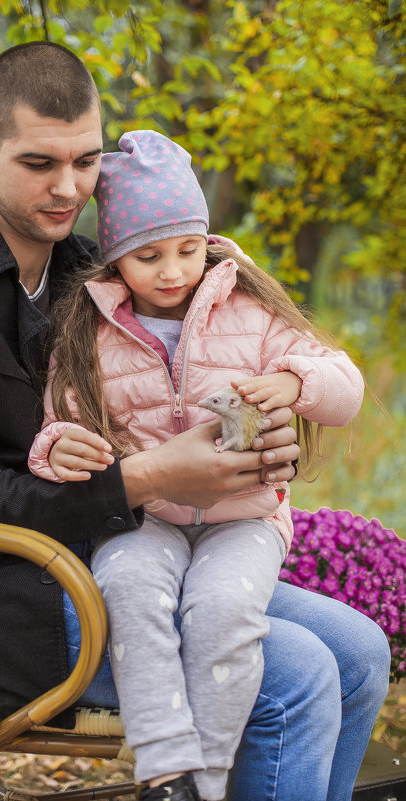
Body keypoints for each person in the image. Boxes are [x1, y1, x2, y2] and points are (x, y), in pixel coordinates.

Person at [0, 42, 389, 801]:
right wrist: (150, 475)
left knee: (357, 651)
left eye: (86, 162)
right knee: (298, 675)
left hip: (133, 554)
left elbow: (200, 369)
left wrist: (259, 427)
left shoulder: (99, 270)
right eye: (40, 163)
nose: (69, 186)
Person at [28, 129, 367, 801]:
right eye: (147, 256)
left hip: (239, 521)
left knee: (219, 607)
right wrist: (55, 446)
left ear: (206, 241)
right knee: (127, 587)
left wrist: (296, 383)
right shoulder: (90, 331)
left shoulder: (246, 309)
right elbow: (58, 419)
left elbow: (344, 385)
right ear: (117, 259)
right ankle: (163, 768)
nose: (173, 270)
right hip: (145, 516)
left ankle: (203, 783)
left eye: (187, 248)